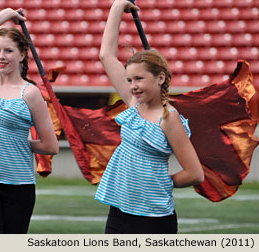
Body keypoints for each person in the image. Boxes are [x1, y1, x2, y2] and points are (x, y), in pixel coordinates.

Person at [95, 0, 204, 234]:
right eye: (129, 80)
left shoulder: (169, 118)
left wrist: (161, 182)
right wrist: (117, 7)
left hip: (154, 218)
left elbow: (195, 173)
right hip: (120, 211)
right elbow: (106, 54)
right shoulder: (134, 104)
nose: (133, 86)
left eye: (139, 79)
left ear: (161, 78)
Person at [0, 8, 59, 234]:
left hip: (18, 186)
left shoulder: (30, 93)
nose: (1, 56)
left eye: (8, 51)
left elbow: (51, 145)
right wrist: (6, 13)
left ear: (22, 54)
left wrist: (13, 143)